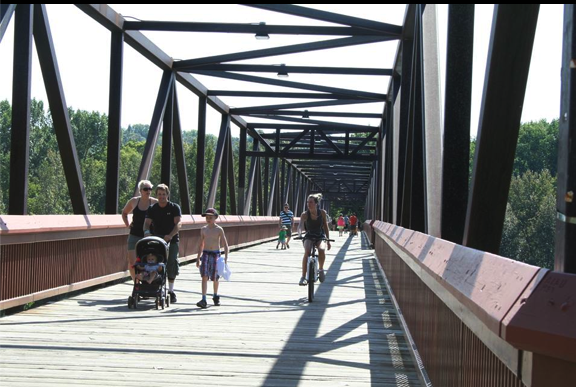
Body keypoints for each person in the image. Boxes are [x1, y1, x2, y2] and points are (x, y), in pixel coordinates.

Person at [143, 184, 181, 303]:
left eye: (163, 194)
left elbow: (178, 224)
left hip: (171, 239)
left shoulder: (174, 207)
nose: (161, 197)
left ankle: (171, 290)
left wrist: (170, 235)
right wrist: (147, 232)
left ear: (167, 195)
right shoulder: (152, 208)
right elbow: (147, 223)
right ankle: (152, 286)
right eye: (159, 194)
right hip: (157, 239)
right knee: (156, 261)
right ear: (156, 195)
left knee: (171, 263)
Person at [121, 180, 158, 282]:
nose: (148, 191)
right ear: (140, 190)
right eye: (146, 189)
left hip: (148, 236)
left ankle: (147, 281)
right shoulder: (134, 201)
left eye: (150, 189)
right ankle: (136, 283)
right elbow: (124, 213)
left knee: (148, 260)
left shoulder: (154, 202)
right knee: (132, 262)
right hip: (134, 234)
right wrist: (128, 225)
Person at [196, 208, 229, 309]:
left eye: (210, 217)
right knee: (204, 276)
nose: (208, 219)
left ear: (215, 218)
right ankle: (204, 299)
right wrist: (198, 258)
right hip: (205, 254)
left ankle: (215, 295)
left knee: (215, 277)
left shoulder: (219, 229)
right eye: (207, 217)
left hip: (216, 254)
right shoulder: (203, 229)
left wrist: (226, 258)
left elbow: (225, 244)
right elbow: (201, 244)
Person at [297, 194, 331, 286]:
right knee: (307, 251)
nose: (309, 204)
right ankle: (303, 277)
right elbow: (300, 226)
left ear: (316, 203)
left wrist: (327, 240)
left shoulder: (322, 213)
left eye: (311, 202)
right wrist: (299, 233)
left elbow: (326, 227)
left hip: (320, 235)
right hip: (309, 235)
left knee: (321, 249)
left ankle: (321, 269)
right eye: (308, 202)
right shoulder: (305, 214)